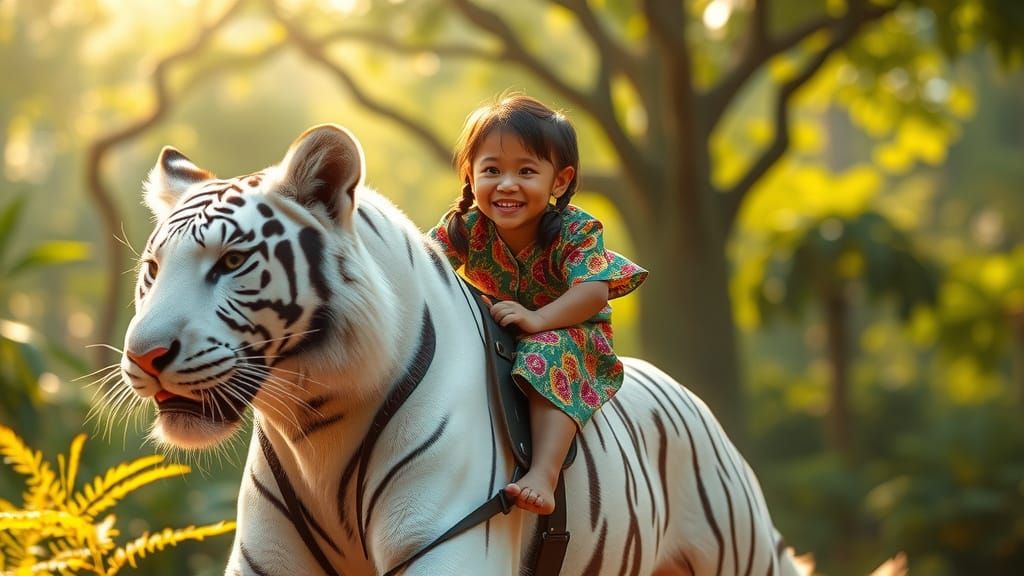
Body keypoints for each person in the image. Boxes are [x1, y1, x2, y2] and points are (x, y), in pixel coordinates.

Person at [428, 93, 647, 515]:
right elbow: (420, 265)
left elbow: (592, 292)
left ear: (559, 182)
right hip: (503, 329)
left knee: (545, 352)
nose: (507, 184)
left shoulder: (575, 230)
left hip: (571, 331)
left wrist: (537, 319)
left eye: (526, 171)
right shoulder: (465, 229)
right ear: (471, 176)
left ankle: (543, 475)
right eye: (491, 170)